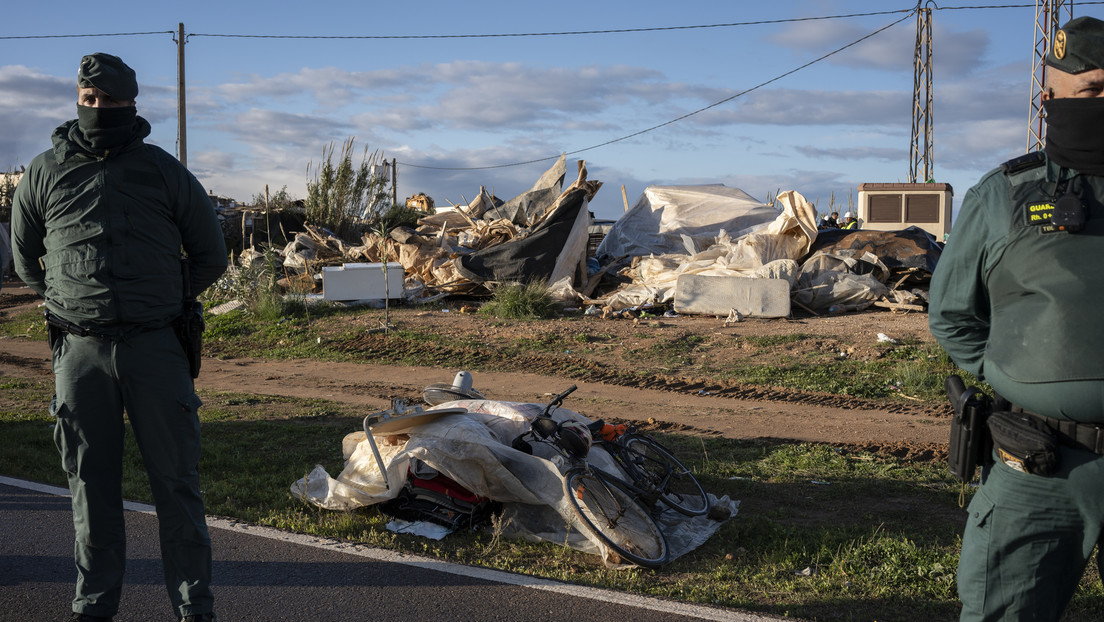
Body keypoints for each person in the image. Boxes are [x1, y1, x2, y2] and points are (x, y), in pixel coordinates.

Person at [11, 53, 226, 622]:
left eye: (108, 100)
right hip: (79, 351)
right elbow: (26, 259)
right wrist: (67, 298)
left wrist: (163, 300)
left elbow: (210, 254)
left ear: (130, 103)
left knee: (177, 484)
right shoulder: (43, 172)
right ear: (78, 100)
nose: (97, 108)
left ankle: (193, 607)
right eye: (88, 100)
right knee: (89, 484)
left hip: (156, 347)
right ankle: (93, 606)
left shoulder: (163, 170)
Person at [929, 16, 1104, 622]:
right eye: (1092, 91)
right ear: (1050, 99)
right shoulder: (1004, 196)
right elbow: (952, 314)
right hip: (1040, 467)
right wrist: (1012, 374)